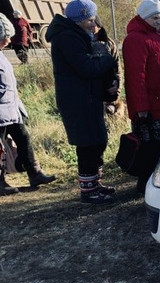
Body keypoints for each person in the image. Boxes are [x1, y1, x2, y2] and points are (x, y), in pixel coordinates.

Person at [45, 0, 117, 204]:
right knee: (88, 144)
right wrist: (108, 59)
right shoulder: (67, 38)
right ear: (79, 19)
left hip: (87, 97)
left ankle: (95, 183)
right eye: (90, 19)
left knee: (97, 140)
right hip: (78, 101)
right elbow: (85, 68)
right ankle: (89, 191)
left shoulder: (76, 34)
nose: (93, 24)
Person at [122, 0, 160, 194]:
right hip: (149, 106)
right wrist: (141, 106)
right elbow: (135, 76)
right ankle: (146, 184)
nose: (158, 21)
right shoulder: (135, 39)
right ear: (143, 17)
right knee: (149, 148)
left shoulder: (158, 35)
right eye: (154, 18)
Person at [0, 13, 55, 195]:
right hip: (1, 111)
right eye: (4, 37)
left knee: (23, 137)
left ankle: (35, 173)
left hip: (11, 109)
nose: (8, 40)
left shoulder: (2, 55)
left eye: (8, 36)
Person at [92, 16, 120, 115]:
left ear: (99, 27)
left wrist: (116, 86)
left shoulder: (110, 44)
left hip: (108, 93)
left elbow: (118, 69)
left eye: (93, 26)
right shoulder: (82, 43)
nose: (91, 29)